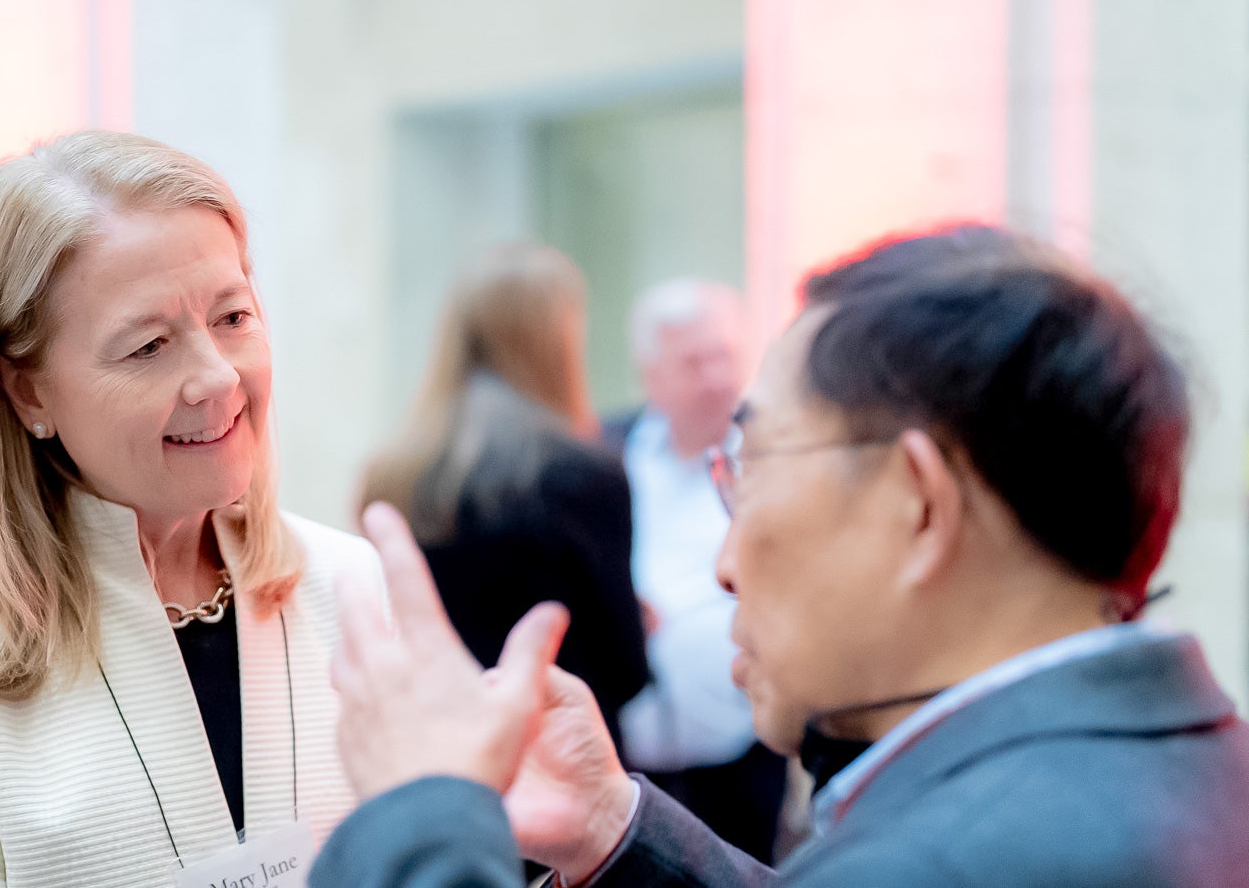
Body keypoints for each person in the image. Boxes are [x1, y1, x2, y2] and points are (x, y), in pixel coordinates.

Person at [311, 224, 1249, 887]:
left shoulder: (946, 858)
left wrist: (419, 810)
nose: (726, 563)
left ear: (917, 504)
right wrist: (612, 825)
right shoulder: (1190, 765)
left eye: (751, 465)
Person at [0, 131, 384, 887]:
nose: (217, 378)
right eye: (149, 345)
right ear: (26, 390)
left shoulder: (349, 582)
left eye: (234, 317)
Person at [358, 243, 648, 747]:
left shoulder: (392, 473)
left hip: (439, 749)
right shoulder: (582, 473)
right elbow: (626, 671)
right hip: (560, 759)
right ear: (557, 338)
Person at [602, 280, 785, 862]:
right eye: (692, 362)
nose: (714, 379)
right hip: (624, 765)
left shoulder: (776, 458)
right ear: (652, 376)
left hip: (741, 763)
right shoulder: (604, 452)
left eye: (723, 357)